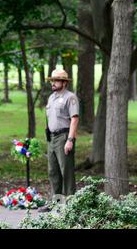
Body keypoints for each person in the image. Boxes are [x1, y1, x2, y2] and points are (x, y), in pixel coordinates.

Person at [45, 69, 79, 199]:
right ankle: (56, 202)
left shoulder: (70, 97)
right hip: (52, 137)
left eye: (56, 80)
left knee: (67, 171)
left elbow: (75, 119)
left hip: (64, 137)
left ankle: (71, 204)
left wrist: (70, 139)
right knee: (53, 171)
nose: (52, 83)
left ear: (64, 83)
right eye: (52, 80)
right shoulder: (51, 97)